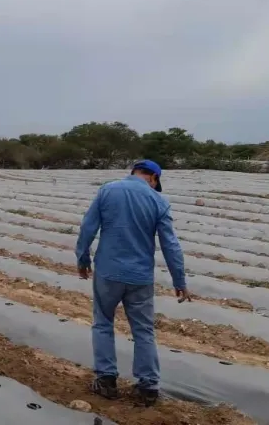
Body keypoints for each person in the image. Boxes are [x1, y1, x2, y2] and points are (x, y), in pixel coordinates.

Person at [75, 159, 191, 406]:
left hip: (108, 272)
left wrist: (83, 257)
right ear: (153, 178)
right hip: (140, 277)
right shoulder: (158, 201)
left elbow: (88, 227)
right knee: (143, 331)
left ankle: (106, 381)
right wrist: (178, 279)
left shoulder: (108, 190)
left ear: (135, 172)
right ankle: (148, 387)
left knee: (103, 323)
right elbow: (170, 244)